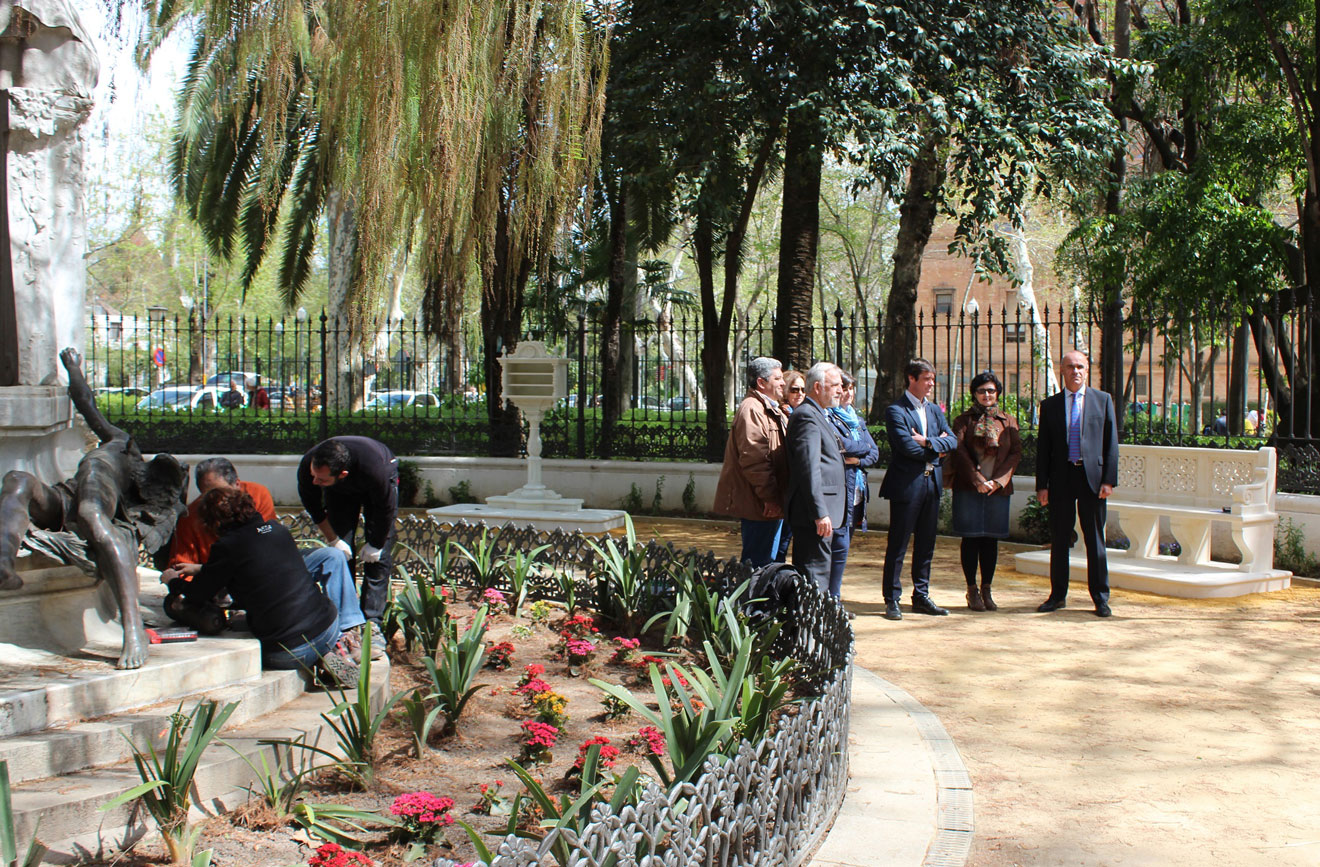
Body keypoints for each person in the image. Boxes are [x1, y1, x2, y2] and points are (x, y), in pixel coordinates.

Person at [163, 457, 370, 654]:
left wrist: (177, 585)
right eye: (208, 496)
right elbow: (251, 546)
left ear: (237, 485)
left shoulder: (237, 532)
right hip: (244, 582)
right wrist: (202, 571)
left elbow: (249, 552)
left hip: (250, 583)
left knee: (331, 556)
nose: (215, 501)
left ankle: (348, 632)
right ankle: (333, 645)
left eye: (219, 494)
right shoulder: (270, 529)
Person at [168, 487, 359, 684]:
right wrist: (203, 569)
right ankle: (327, 651)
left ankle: (316, 657)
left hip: (288, 651)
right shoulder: (278, 530)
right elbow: (259, 566)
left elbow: (197, 594)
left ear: (215, 522)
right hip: (327, 626)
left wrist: (172, 581)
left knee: (240, 624)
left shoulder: (227, 547)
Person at [1035, 350, 1119, 617]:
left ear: (1087, 370)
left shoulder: (1102, 401)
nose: (1076, 371)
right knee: (1060, 539)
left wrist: (1109, 480)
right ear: (1062, 370)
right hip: (1061, 479)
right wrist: (1042, 485)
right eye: (1070, 367)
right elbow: (1043, 449)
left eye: (1080, 366)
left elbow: (1111, 444)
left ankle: (1100, 598)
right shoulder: (1050, 405)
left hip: (1091, 480)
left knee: (1095, 540)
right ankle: (1057, 595)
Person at [878, 358, 959, 620]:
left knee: (926, 544)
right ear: (911, 379)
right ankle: (892, 598)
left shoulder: (934, 410)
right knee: (899, 543)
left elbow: (954, 441)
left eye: (933, 379)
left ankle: (921, 595)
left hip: (931, 484)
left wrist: (927, 442)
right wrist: (937, 447)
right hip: (907, 486)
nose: (932, 384)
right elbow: (906, 447)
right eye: (927, 379)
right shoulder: (896, 411)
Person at [297, 436, 399, 630]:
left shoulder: (376, 469)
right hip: (337, 491)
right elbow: (314, 508)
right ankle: (346, 621)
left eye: (321, 479)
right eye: (314, 475)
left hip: (377, 479)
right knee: (340, 556)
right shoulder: (309, 466)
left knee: (378, 559)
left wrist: (376, 544)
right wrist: (334, 540)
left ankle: (372, 624)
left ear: (342, 474)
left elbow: (385, 509)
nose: (314, 481)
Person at [948, 371, 1022, 612]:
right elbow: (958, 452)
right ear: (974, 394)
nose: (987, 395)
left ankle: (987, 589)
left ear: (997, 393)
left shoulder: (1008, 421)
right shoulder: (963, 421)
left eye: (991, 390)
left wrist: (998, 481)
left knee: (990, 539)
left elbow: (1015, 454)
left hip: (997, 490)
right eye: (982, 391)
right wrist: (978, 478)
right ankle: (972, 590)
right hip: (969, 487)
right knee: (971, 538)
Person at [712, 357, 789, 566]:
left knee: (770, 562)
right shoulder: (752, 409)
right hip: (759, 504)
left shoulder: (770, 407)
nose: (783, 383)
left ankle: (764, 597)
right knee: (758, 564)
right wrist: (769, 498)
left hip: (768, 501)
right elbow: (755, 460)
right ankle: (752, 599)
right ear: (761, 383)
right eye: (778, 378)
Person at [785, 362, 846, 593]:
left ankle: (816, 624)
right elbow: (808, 468)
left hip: (824, 511)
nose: (840, 390)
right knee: (814, 576)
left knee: (820, 573)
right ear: (818, 387)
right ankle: (810, 628)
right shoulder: (806, 416)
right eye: (835, 385)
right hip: (814, 514)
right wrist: (820, 512)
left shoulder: (819, 413)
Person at [826, 372, 879, 606]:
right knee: (837, 547)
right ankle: (830, 601)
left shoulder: (856, 420)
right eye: (844, 388)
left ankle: (834, 599)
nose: (848, 393)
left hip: (856, 491)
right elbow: (843, 446)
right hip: (839, 492)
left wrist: (858, 459)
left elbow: (873, 452)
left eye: (851, 388)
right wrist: (860, 449)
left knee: (844, 548)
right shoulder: (828, 417)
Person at [775, 370, 809, 561]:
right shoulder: (782, 414)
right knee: (779, 544)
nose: (800, 394)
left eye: (803, 389)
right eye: (794, 389)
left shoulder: (803, 414)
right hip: (783, 486)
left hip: (796, 489)